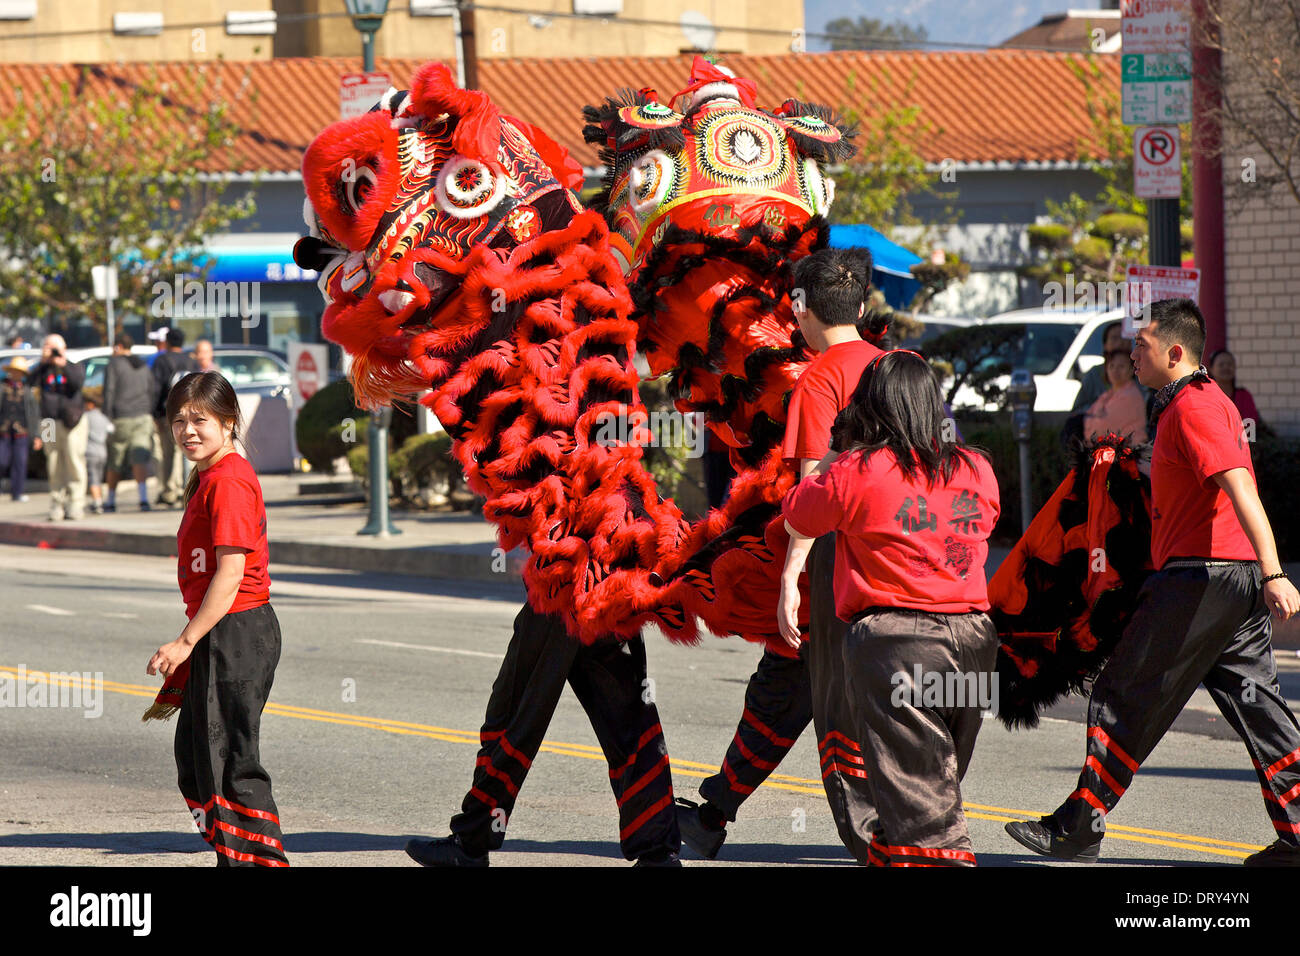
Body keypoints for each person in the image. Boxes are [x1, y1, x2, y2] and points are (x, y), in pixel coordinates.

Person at [1005, 298, 1300, 867]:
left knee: (1123, 691)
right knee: (1258, 705)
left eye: (1139, 345)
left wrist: (1276, 572)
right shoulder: (1201, 403)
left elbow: (1242, 487)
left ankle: (1076, 827)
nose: (1129, 354)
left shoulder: (1193, 407)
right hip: (1223, 583)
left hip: (1199, 580)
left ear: (1173, 351)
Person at [675, 248, 882, 862]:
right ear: (865, 306)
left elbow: (813, 486)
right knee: (789, 686)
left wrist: (791, 574)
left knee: (824, 701)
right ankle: (715, 810)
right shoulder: (904, 365)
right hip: (893, 564)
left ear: (799, 309)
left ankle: (883, 841)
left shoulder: (818, 378)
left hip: (834, 569)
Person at [781, 350, 1000, 866]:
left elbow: (798, 516)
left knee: (924, 810)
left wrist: (839, 452)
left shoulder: (859, 470)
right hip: (975, 641)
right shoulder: (978, 468)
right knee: (929, 783)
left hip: (899, 644)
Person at [145, 370, 288, 867]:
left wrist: (185, 642)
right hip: (224, 631)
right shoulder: (211, 474)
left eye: (200, 420)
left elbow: (231, 572)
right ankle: (237, 855)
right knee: (199, 758)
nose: (188, 430)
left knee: (230, 762)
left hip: (238, 631)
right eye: (179, 420)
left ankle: (261, 862)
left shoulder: (227, 481)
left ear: (228, 422)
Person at [26, 334, 87, 521]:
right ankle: (56, 503)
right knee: (52, 463)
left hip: (72, 420)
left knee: (73, 460)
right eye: (47, 346)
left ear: (63, 348)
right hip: (48, 422)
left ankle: (76, 503)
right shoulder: (43, 369)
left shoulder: (73, 365)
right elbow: (29, 382)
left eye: (54, 347)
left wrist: (62, 363)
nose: (50, 350)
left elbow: (77, 383)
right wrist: (43, 362)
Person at [103, 335, 158, 513]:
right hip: (143, 416)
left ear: (118, 347)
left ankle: (110, 500)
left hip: (121, 417)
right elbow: (152, 390)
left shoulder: (114, 364)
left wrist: (107, 417)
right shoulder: (142, 364)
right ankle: (143, 499)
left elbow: (109, 391)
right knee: (139, 456)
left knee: (116, 459)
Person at [153, 328, 197, 507]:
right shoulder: (190, 361)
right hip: (191, 413)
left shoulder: (162, 360)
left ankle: (171, 490)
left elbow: (155, 388)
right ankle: (186, 488)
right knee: (188, 451)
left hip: (169, 413)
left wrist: (155, 413)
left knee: (168, 453)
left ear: (168, 342)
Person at [1082, 343, 1148, 445]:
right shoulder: (1108, 394)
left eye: (1121, 366)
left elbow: (1101, 429)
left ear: (1131, 370)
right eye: (1111, 366)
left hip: (1129, 454)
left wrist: (1089, 422)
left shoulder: (1130, 395)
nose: (1115, 371)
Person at [0, 355, 41, 502]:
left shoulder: (28, 391)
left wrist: (38, 435)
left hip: (22, 431)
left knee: (20, 463)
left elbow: (35, 414)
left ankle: (17, 493)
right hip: (4, 431)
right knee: (2, 460)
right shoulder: (3, 387)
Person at [1207, 348, 1264, 432]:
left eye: (1230, 364)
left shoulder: (1244, 396)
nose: (1226, 367)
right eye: (1221, 365)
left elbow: (1250, 426)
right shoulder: (1207, 396)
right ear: (1211, 369)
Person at [82, 386, 112, 515]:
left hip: (90, 451)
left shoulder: (86, 417)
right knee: (98, 477)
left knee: (93, 477)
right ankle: (99, 499)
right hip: (102, 451)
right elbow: (111, 429)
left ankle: (97, 502)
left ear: (90, 404)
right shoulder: (103, 418)